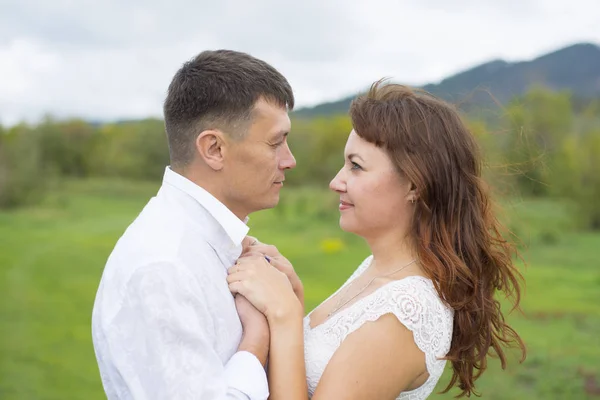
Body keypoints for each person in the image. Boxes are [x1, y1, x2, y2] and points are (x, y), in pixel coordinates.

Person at [227, 80, 527, 399]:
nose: (336, 182)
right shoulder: (377, 268)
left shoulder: (404, 313)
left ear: (414, 185)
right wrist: (294, 293)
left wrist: (284, 314)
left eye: (356, 167)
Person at [91, 49, 297, 399]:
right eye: (276, 142)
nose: (289, 161)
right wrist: (257, 338)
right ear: (214, 148)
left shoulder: (211, 246)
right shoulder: (162, 267)